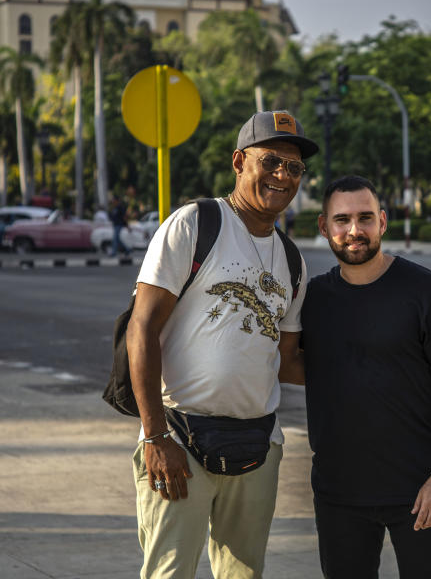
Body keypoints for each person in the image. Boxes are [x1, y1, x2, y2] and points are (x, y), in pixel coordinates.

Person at [126, 110, 317, 578]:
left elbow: (287, 363)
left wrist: (373, 367)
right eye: (271, 161)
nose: (282, 176)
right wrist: (155, 437)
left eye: (294, 168)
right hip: (180, 439)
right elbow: (142, 329)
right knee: (170, 572)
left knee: (243, 574)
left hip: (257, 444)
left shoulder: (292, 260)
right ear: (239, 162)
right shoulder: (196, 223)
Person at [297, 175, 431, 579]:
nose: (354, 230)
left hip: (419, 488)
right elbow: (293, 365)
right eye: (342, 220)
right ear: (324, 227)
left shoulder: (426, 291)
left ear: (383, 222)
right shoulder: (313, 299)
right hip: (338, 493)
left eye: (365, 218)